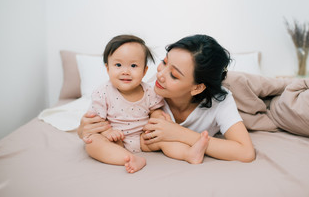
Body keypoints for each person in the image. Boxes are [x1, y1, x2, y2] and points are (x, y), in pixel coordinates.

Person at [78, 34, 256, 164]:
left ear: (197, 87)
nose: (160, 74)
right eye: (164, 62)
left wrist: (180, 134)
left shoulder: (219, 102)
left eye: (173, 75)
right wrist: (84, 129)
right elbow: (108, 116)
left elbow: (245, 151)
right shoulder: (146, 88)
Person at [84, 35, 212, 174]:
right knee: (92, 143)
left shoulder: (149, 91)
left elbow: (155, 110)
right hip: (115, 139)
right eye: (118, 65)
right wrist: (108, 132)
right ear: (108, 68)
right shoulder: (102, 93)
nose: (125, 71)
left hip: (143, 138)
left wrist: (157, 119)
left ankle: (189, 154)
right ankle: (128, 158)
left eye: (133, 66)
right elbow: (97, 121)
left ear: (144, 71)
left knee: (164, 140)